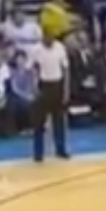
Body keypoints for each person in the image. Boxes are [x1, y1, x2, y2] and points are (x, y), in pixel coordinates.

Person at [29, 32, 70, 162]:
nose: (50, 40)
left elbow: (66, 70)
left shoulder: (60, 47)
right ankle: (38, 153)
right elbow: (30, 68)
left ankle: (60, 149)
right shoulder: (35, 50)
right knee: (39, 123)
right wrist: (34, 88)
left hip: (57, 85)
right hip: (43, 86)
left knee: (59, 121)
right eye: (47, 37)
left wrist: (66, 90)